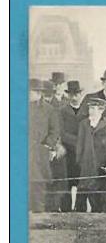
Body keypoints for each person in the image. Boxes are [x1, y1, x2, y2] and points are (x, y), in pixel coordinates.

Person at [75, 98, 106, 212]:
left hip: (103, 162)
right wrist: (79, 160)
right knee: (84, 189)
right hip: (87, 161)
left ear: (101, 110)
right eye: (90, 108)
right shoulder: (84, 124)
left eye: (95, 108)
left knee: (101, 190)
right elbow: (80, 143)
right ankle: (79, 214)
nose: (92, 111)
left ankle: (99, 213)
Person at [29, 78, 61, 212]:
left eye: (34, 91)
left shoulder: (49, 109)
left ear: (39, 92)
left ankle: (39, 216)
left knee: (39, 184)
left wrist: (47, 145)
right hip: (19, 152)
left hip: (39, 153)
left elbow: (55, 131)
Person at [58, 80, 86, 212]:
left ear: (81, 94)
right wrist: (77, 141)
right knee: (67, 180)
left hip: (84, 152)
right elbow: (61, 132)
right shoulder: (62, 111)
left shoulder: (87, 110)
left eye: (76, 94)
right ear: (68, 95)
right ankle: (65, 210)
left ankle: (81, 209)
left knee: (83, 181)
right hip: (68, 151)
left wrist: (83, 143)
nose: (74, 97)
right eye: (71, 94)